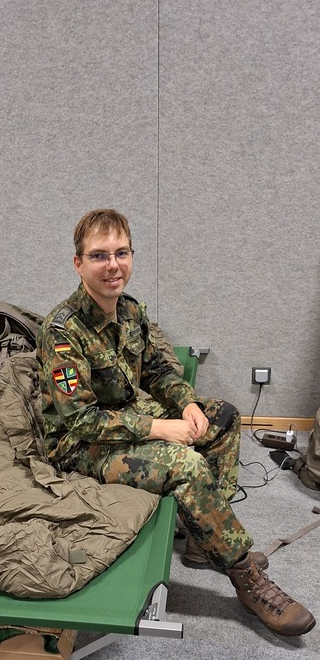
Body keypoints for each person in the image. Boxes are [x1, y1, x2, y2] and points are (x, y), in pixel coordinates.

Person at [36, 208, 316, 638]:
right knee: (185, 463)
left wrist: (187, 404)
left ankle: (206, 542)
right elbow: (81, 420)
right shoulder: (62, 332)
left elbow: (157, 371)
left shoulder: (129, 311)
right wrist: (160, 429)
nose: (113, 265)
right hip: (80, 447)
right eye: (99, 256)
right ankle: (246, 576)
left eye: (121, 253)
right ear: (78, 263)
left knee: (223, 417)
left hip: (124, 420)